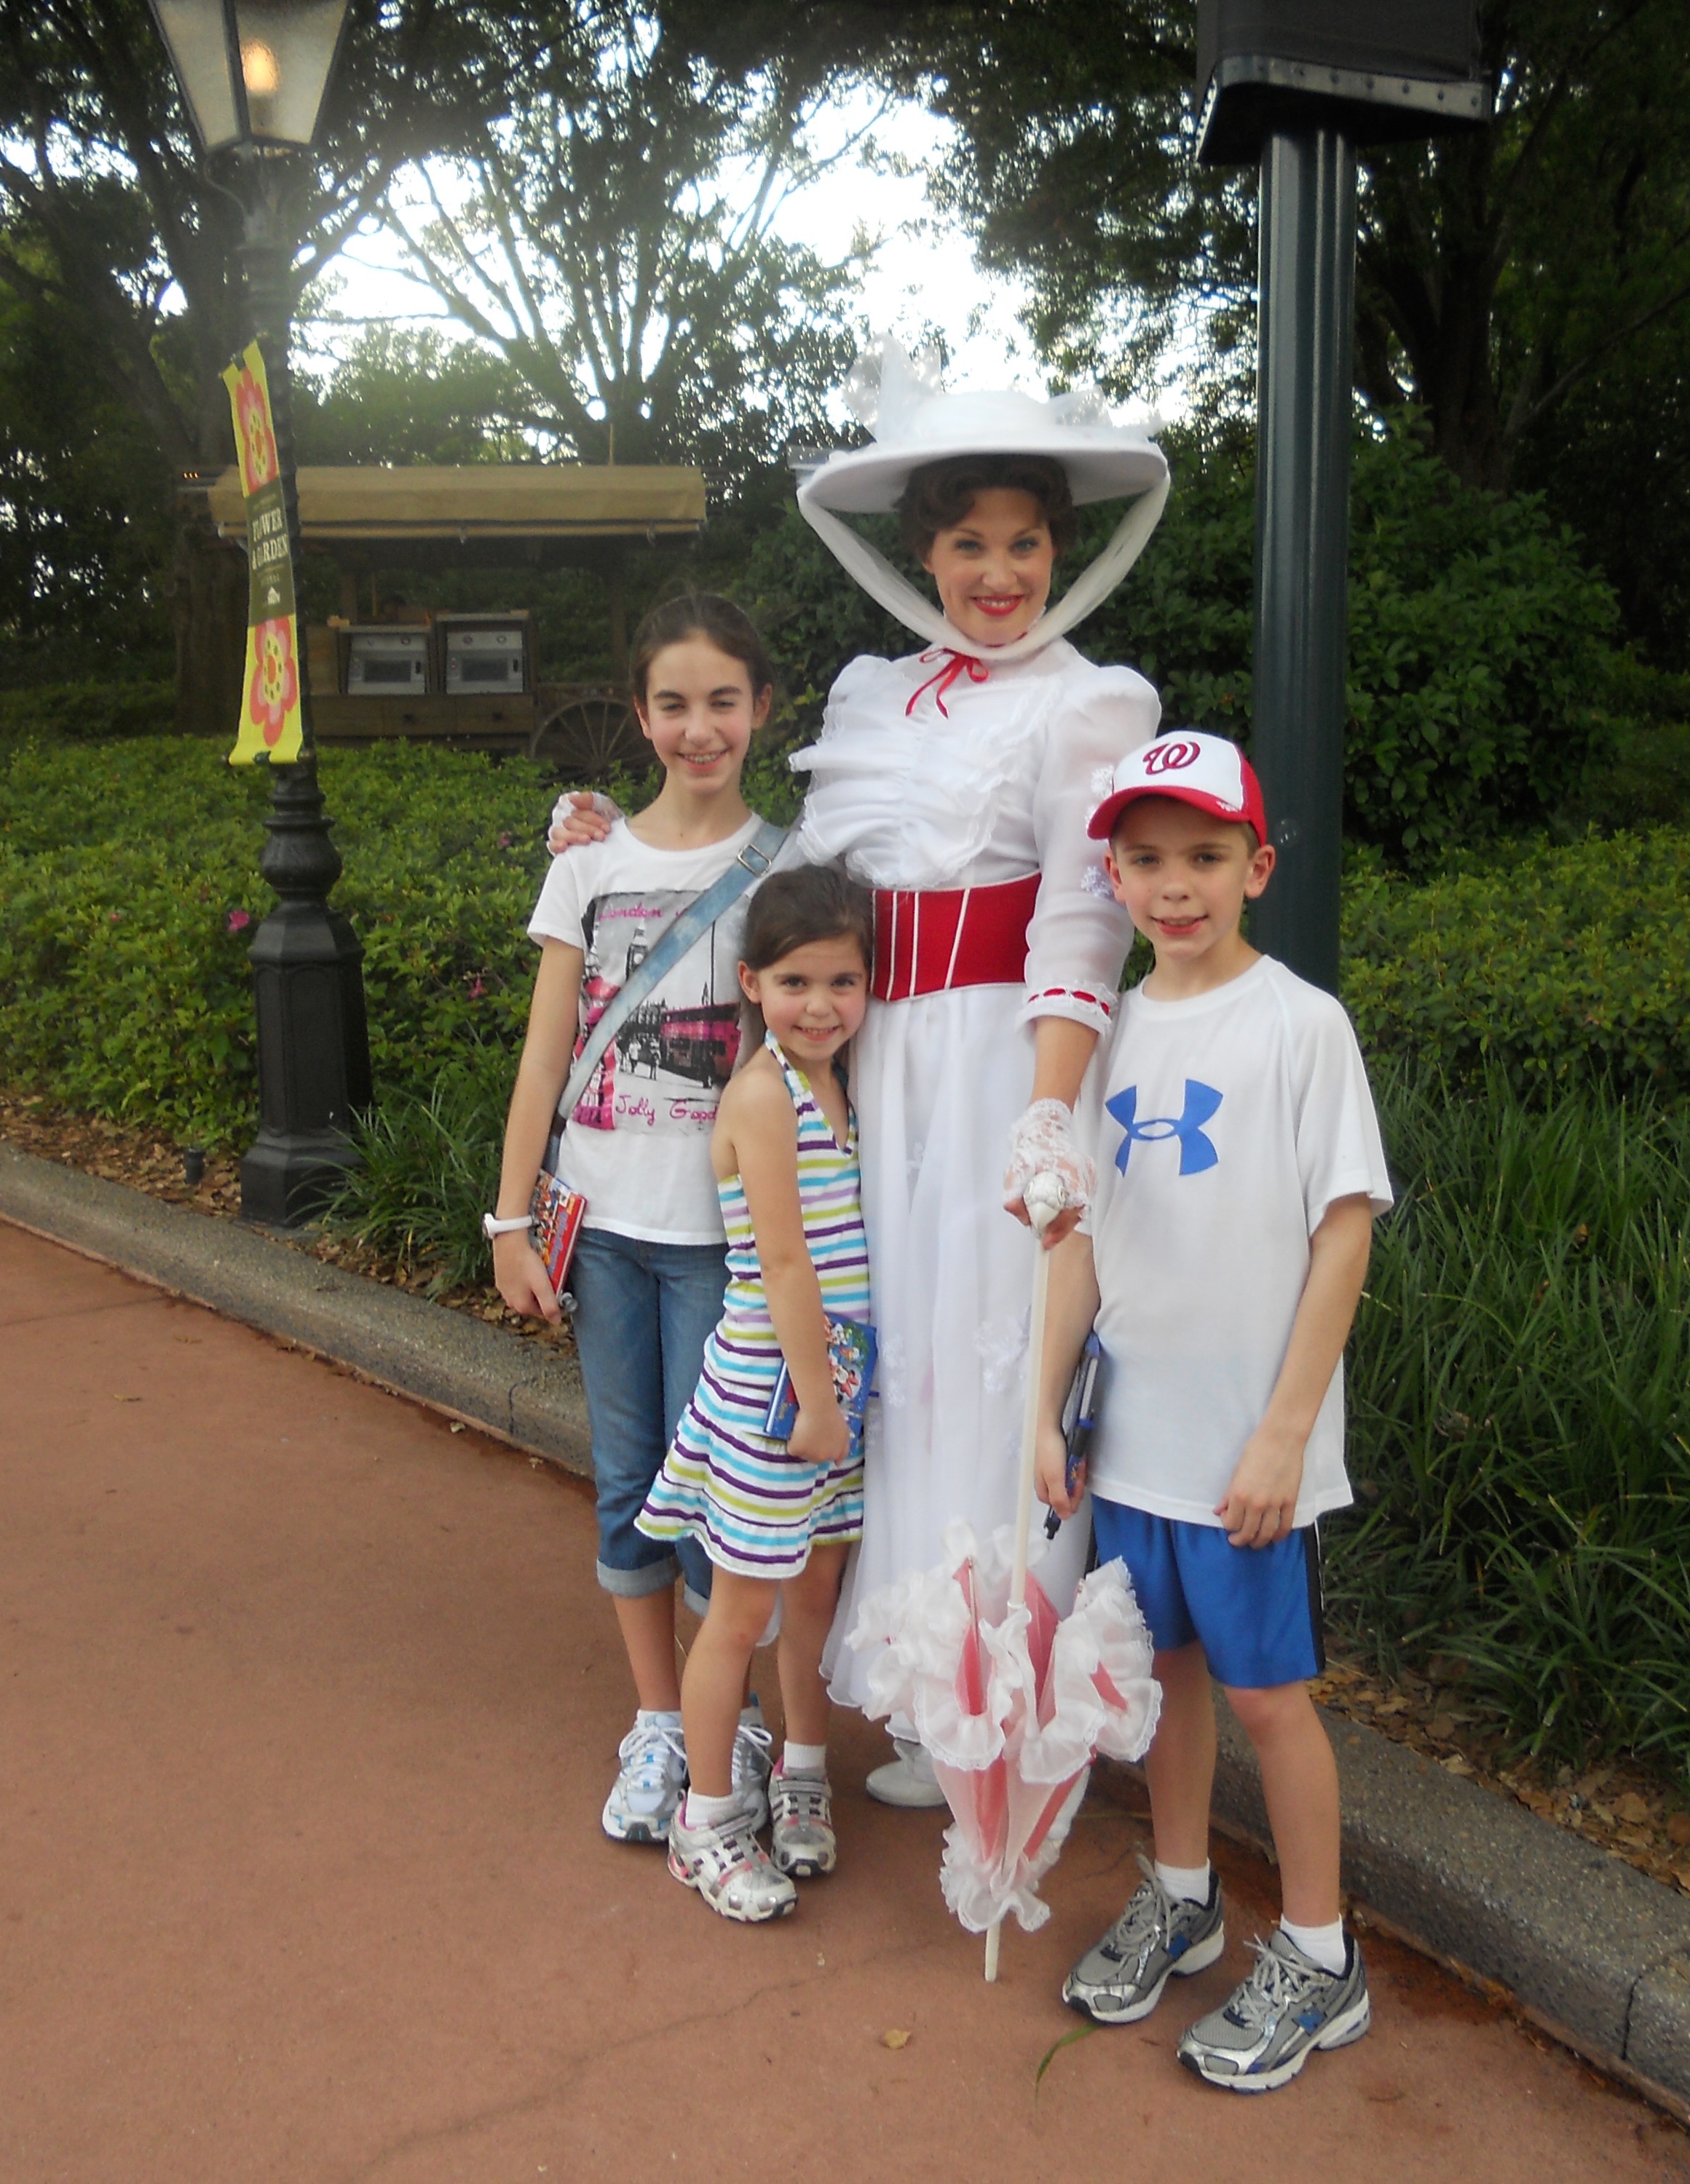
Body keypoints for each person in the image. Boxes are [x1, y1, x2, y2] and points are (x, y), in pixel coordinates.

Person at [551, 341, 1173, 1809]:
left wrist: (1044, 1104)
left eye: (1024, 544)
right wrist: (613, 830)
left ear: (1057, 554)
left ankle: (1014, 1720)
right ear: (924, 553)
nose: (998, 572)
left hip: (995, 1066)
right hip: (864, 1067)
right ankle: (912, 1689)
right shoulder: (871, 693)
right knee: (881, 1366)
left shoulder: (1086, 701)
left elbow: (1084, 919)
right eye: (969, 544)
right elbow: (796, 885)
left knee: (990, 1364)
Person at [1031, 735, 1391, 2093]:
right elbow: (1079, 1243)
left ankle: (1320, 1951)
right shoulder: (1104, 1024)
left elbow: (1343, 1232)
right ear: (1113, 874)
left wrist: (1288, 1432)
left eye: (1204, 857)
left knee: (1268, 1698)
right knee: (1162, 1678)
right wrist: (1045, 1419)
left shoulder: (1301, 1023)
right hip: (1130, 1442)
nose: (1174, 887)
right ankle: (1183, 1894)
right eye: (1146, 859)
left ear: (1259, 865)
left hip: (1247, 1455)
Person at [491, 594, 787, 1848]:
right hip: (605, 1233)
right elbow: (547, 1049)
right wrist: (511, 1219)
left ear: (761, 709)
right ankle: (662, 1722)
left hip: (729, 1243)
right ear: (640, 715)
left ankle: (738, 1722)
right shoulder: (588, 864)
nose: (700, 727)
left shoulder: (793, 867)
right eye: (675, 703)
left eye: (724, 700)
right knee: (627, 1483)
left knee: (730, 1494)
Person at [639, 864, 874, 1921]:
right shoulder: (762, 1095)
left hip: (837, 1386)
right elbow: (784, 1266)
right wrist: (818, 1403)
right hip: (774, 1394)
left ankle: (805, 1776)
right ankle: (710, 1824)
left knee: (818, 1593)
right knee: (740, 1612)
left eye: (842, 981)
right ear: (750, 981)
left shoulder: (845, 1082)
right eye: (794, 982)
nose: (820, 1004)